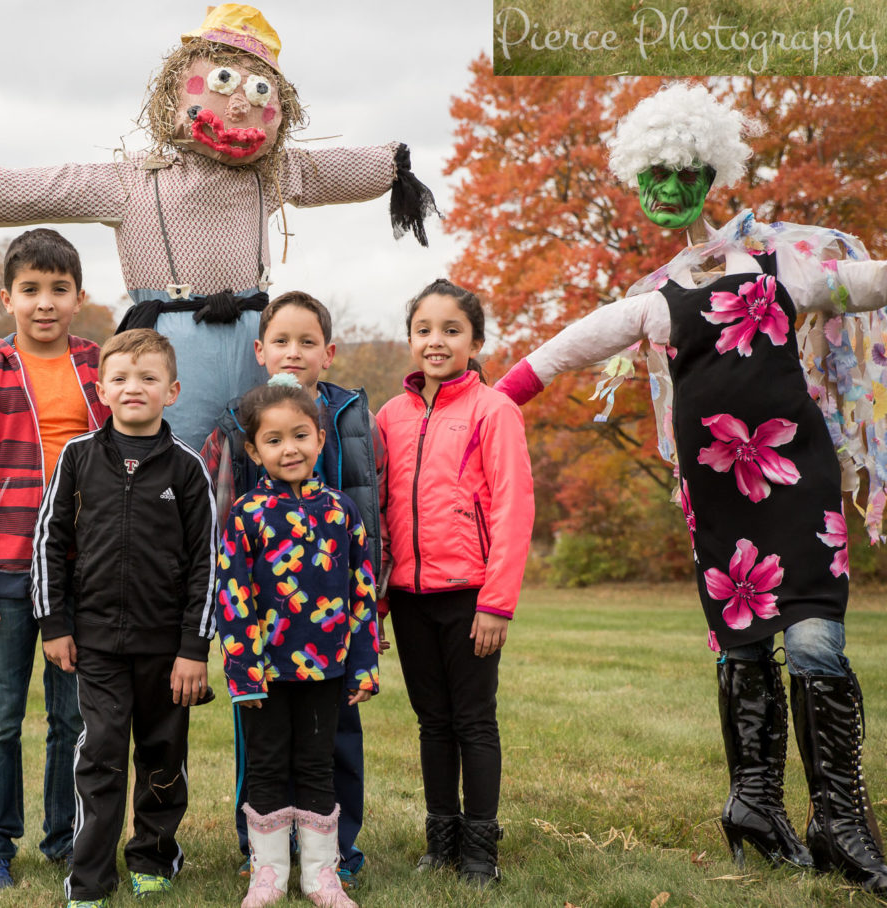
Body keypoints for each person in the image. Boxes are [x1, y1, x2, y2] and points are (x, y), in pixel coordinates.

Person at [495, 83, 887, 893]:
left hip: (796, 481)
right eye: (656, 176)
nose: (670, 191)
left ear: (711, 177)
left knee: (815, 640)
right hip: (716, 495)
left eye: (686, 175)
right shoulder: (650, 304)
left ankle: (841, 822)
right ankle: (754, 805)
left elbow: (870, 282)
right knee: (744, 647)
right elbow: (559, 352)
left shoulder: (790, 273)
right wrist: (488, 403)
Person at [0, 4, 437, 451]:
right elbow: (54, 184)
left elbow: (323, 172)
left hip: (255, 339)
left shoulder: (265, 174)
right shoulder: (134, 178)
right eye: (224, 81)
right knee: (170, 460)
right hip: (167, 343)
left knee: (259, 455)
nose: (238, 103)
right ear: (178, 88)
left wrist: (392, 165)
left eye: (257, 92)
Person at [0, 228, 109, 892]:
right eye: (31, 290)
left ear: (78, 296)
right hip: (4, 571)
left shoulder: (99, 365)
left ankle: (66, 839)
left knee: (75, 718)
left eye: (59, 290)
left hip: (79, 572)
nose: (45, 303)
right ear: (7, 297)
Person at [202, 290, 381, 889]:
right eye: (275, 441)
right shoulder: (247, 516)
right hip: (267, 667)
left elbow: (359, 592)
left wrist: (363, 664)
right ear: (255, 450)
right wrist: (243, 666)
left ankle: (323, 874)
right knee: (266, 766)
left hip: (328, 667)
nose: (290, 449)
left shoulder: (339, 514)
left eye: (301, 437)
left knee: (321, 764)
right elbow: (233, 594)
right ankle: (267, 873)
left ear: (320, 438)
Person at [31, 328, 217, 907]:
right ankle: (89, 881)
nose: (133, 387)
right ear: (102, 389)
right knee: (101, 755)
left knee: (163, 755)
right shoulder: (78, 458)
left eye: (148, 377)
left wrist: (194, 647)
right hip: (96, 644)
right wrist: (54, 623)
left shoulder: (187, 470)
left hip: (168, 652)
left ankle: (154, 857)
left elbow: (206, 561)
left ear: (173, 390)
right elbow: (48, 542)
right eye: (120, 378)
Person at [376, 279, 535, 887]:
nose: (435, 341)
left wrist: (496, 603)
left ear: (476, 340)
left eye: (451, 330)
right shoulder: (391, 416)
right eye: (424, 330)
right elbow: (383, 514)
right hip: (412, 598)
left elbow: (513, 509)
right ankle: (439, 840)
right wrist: (381, 601)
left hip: (471, 596)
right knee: (431, 721)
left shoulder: (494, 410)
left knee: (473, 720)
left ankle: (479, 850)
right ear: (410, 339)